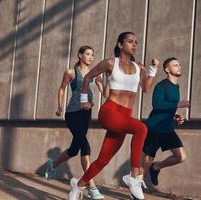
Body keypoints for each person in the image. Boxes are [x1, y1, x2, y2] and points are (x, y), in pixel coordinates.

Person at [68, 32, 159, 200]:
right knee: (141, 128)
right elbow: (88, 77)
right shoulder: (111, 63)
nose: (134, 45)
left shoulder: (139, 67)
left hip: (125, 116)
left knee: (103, 160)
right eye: (130, 41)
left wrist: (153, 69)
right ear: (120, 45)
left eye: (136, 42)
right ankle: (133, 176)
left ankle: (77, 186)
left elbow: (146, 88)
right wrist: (83, 100)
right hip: (110, 111)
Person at [45, 46, 106, 199]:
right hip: (72, 114)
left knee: (74, 149)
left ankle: (53, 164)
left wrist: (107, 81)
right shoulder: (71, 72)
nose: (91, 57)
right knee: (85, 145)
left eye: (93, 55)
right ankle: (91, 187)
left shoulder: (95, 74)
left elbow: (105, 93)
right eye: (87, 54)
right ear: (80, 55)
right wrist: (59, 107)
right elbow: (61, 89)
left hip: (86, 114)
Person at [142, 57, 189, 186]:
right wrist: (178, 105)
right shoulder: (161, 85)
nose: (179, 67)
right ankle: (136, 190)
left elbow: (168, 106)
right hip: (155, 128)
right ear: (167, 69)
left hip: (167, 129)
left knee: (181, 156)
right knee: (146, 163)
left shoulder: (176, 86)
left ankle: (157, 167)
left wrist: (176, 116)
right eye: (175, 65)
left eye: (179, 64)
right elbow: (157, 105)